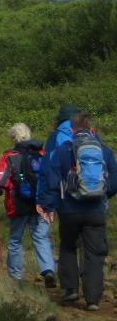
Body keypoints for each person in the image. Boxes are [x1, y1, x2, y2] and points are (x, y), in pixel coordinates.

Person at [36, 113, 117, 310]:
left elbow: (52, 181)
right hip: (95, 211)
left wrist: (47, 205)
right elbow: (114, 183)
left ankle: (70, 290)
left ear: (71, 130)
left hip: (69, 211)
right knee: (94, 254)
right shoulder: (104, 150)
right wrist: (102, 196)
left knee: (68, 248)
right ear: (91, 128)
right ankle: (92, 300)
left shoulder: (62, 151)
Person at [0, 123, 55, 290]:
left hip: (18, 203)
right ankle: (48, 270)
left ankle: (15, 277)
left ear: (14, 138)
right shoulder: (41, 153)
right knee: (41, 237)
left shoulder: (9, 156)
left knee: (15, 240)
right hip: (40, 202)